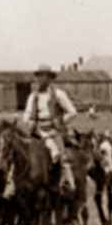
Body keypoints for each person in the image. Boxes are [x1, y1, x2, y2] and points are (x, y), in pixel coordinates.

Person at [20, 65, 78, 193]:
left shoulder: (58, 94)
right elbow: (27, 114)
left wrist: (59, 121)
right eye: (39, 76)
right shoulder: (33, 96)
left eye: (44, 76)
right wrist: (29, 122)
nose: (41, 79)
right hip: (37, 131)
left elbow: (73, 112)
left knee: (60, 155)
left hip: (54, 130)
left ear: (50, 78)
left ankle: (67, 182)